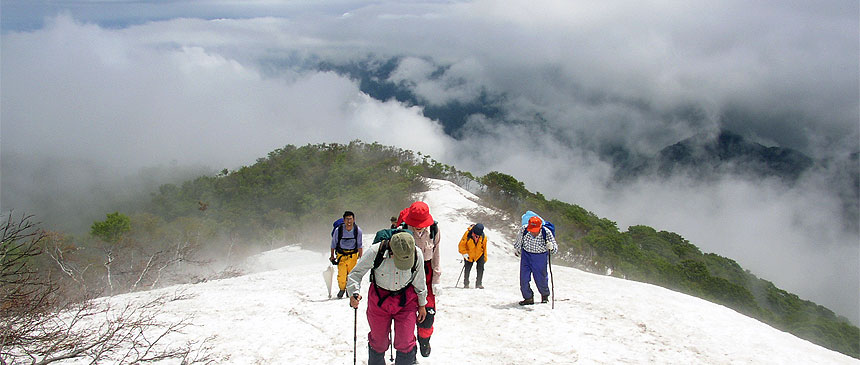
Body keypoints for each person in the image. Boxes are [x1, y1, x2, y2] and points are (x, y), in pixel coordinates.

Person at [348, 232, 427, 365]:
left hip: (406, 300)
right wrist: (353, 293)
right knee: (378, 341)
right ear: (391, 251)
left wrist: (422, 304)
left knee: (405, 340)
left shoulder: (416, 253)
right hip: (379, 300)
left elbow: (420, 280)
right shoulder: (375, 251)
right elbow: (355, 274)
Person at [401, 201, 440, 358]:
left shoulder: (434, 230)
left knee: (428, 311)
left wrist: (437, 279)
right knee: (408, 312)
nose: (418, 226)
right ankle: (409, 349)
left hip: (427, 271)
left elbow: (436, 254)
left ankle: (424, 340)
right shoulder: (403, 230)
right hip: (408, 272)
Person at [514, 215, 557, 305]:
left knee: (541, 278)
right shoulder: (524, 229)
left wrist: (551, 247)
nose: (533, 232)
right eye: (531, 230)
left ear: (539, 227)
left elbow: (555, 249)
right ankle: (528, 298)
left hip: (540, 257)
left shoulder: (546, 232)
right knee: (524, 278)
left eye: (534, 230)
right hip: (526, 255)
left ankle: (545, 295)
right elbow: (519, 241)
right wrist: (517, 249)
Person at [330, 211, 363, 299]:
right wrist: (332, 255)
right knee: (342, 275)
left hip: (353, 255)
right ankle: (342, 289)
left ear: (354, 220)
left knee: (351, 274)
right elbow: (333, 243)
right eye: (347, 219)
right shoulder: (339, 230)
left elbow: (359, 244)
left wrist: (361, 257)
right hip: (342, 256)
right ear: (344, 220)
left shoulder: (357, 230)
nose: (349, 221)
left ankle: (349, 290)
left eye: (350, 219)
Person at [457, 223, 487, 289]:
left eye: (477, 235)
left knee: (481, 268)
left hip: (479, 254)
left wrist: (485, 258)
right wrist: (464, 254)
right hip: (469, 255)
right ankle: (466, 284)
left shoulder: (483, 237)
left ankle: (479, 284)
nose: (476, 236)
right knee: (467, 269)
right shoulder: (467, 234)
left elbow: (484, 248)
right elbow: (461, 246)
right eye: (475, 235)